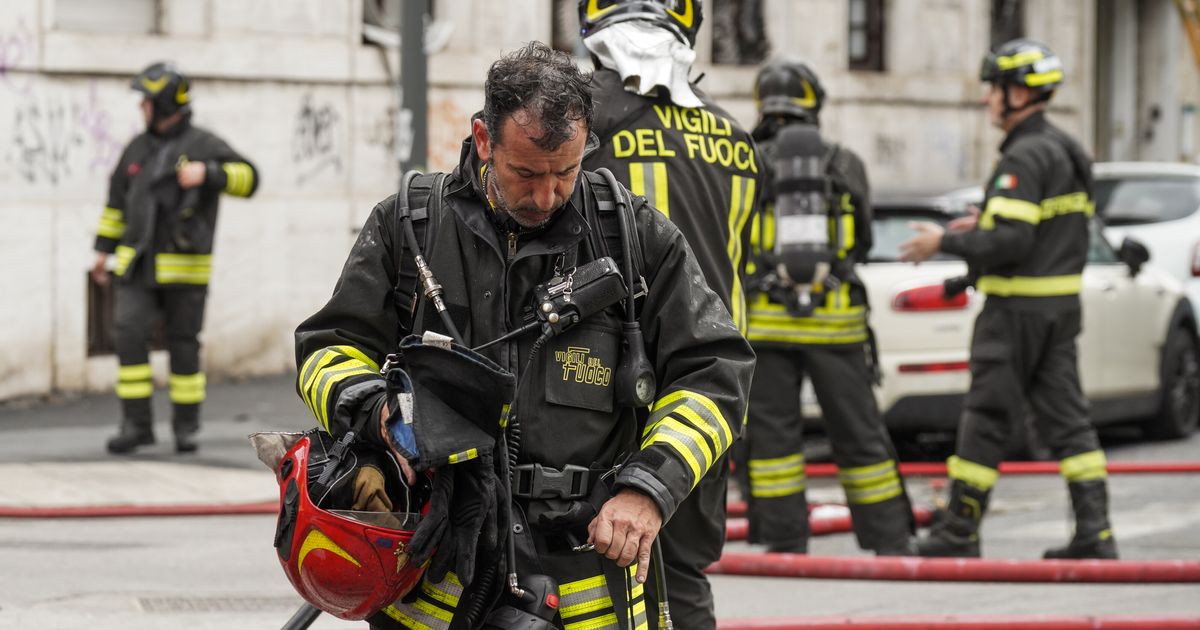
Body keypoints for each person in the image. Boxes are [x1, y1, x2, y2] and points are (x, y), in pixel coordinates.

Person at [294, 42, 754, 628]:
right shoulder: (410, 226)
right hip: (438, 580)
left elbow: (717, 372)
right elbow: (327, 347)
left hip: (587, 579)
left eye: (567, 172)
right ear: (485, 140)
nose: (546, 196)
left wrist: (648, 488)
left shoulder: (634, 237)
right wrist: (374, 408)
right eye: (526, 173)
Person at [577, 1, 762, 626]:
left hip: (607, 393)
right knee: (681, 575)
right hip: (709, 396)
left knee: (581, 570)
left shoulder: (584, 117)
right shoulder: (736, 135)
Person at [900, 39, 1118, 560]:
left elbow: (1013, 243)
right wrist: (985, 226)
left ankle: (959, 530)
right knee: (1069, 423)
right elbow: (1046, 230)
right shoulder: (1068, 150)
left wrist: (944, 242)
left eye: (993, 89)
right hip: (1059, 312)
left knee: (987, 418)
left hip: (1014, 315)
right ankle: (1097, 532)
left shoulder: (1024, 154)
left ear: (1017, 92)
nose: (987, 101)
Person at [738, 60, 915, 556]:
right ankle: (889, 537)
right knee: (860, 434)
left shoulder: (745, 158)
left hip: (767, 325)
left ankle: (784, 540)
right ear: (813, 103)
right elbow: (859, 239)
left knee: (773, 439)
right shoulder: (844, 162)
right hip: (837, 324)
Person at [92, 62, 259, 455]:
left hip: (185, 271)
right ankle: (136, 425)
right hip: (136, 266)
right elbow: (116, 203)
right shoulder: (137, 148)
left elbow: (251, 178)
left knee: (184, 346)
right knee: (128, 334)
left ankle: (186, 428)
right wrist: (103, 250)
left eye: (147, 101)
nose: (142, 109)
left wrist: (211, 174)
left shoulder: (204, 145)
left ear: (165, 104)